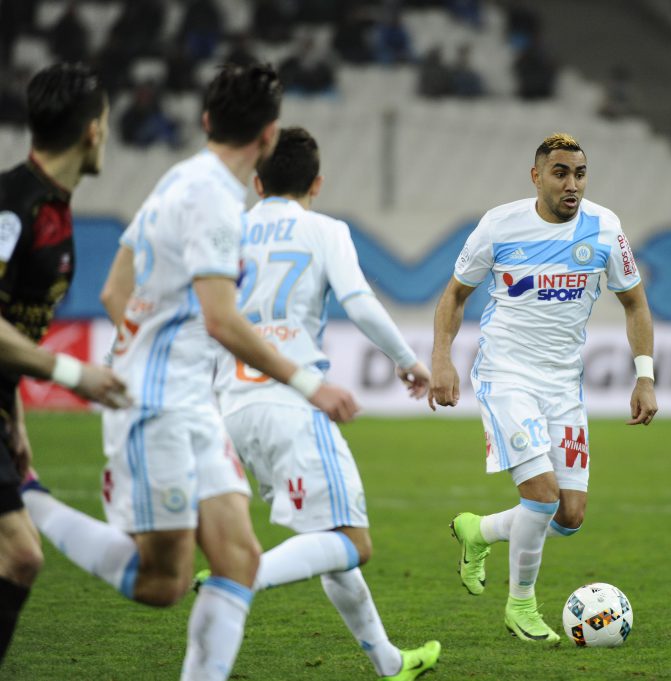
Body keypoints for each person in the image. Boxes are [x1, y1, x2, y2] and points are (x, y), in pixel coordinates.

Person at [20, 63, 358, 681]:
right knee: (161, 583)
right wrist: (311, 383)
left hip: (186, 401)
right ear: (269, 135)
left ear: (206, 121)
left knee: (239, 560)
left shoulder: (177, 179)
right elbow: (223, 320)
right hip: (160, 409)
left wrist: (150, 356)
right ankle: (29, 499)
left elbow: (115, 291)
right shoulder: (216, 203)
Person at [209, 127, 441, 680]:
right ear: (316, 183)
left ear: (257, 183)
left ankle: (389, 663)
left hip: (231, 410)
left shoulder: (228, 231)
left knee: (326, 538)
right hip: (292, 405)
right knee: (352, 542)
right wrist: (406, 359)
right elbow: (358, 302)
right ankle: (242, 576)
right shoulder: (324, 230)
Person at [429, 133, 658, 642]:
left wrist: (644, 375)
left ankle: (478, 531)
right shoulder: (499, 225)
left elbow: (635, 303)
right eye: (560, 173)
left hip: (563, 385)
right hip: (506, 375)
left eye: (580, 173)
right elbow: (455, 295)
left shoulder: (605, 228)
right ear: (537, 177)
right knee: (541, 495)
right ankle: (521, 607)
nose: (572, 184)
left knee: (570, 515)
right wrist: (441, 358)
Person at [0, 62, 131, 666]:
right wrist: (74, 374)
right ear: (92, 131)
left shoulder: (53, 208)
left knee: (19, 555)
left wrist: (15, 418)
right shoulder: (14, 207)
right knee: (21, 553)